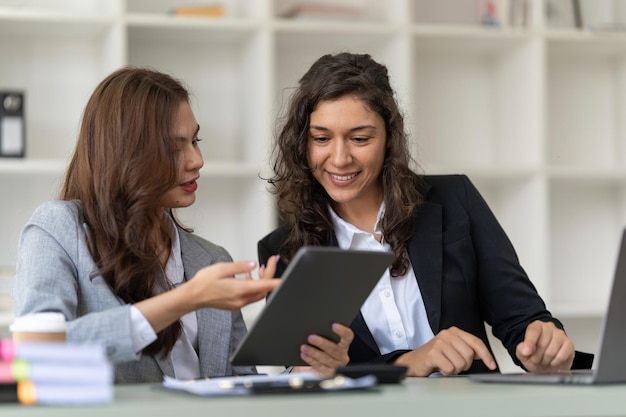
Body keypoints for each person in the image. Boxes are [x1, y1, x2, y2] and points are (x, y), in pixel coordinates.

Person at [258, 52, 594, 377]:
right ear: (302, 143)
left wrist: (543, 348)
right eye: (321, 138)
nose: (340, 157)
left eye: (360, 138)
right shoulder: (285, 250)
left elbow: (523, 320)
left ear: (390, 138)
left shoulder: (455, 200)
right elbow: (308, 375)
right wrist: (407, 363)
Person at [12, 67, 352, 383]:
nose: (197, 161)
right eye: (174, 148)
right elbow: (37, 352)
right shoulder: (58, 229)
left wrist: (307, 370)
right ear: (124, 153)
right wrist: (187, 299)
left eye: (195, 142)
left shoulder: (210, 259)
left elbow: (238, 388)